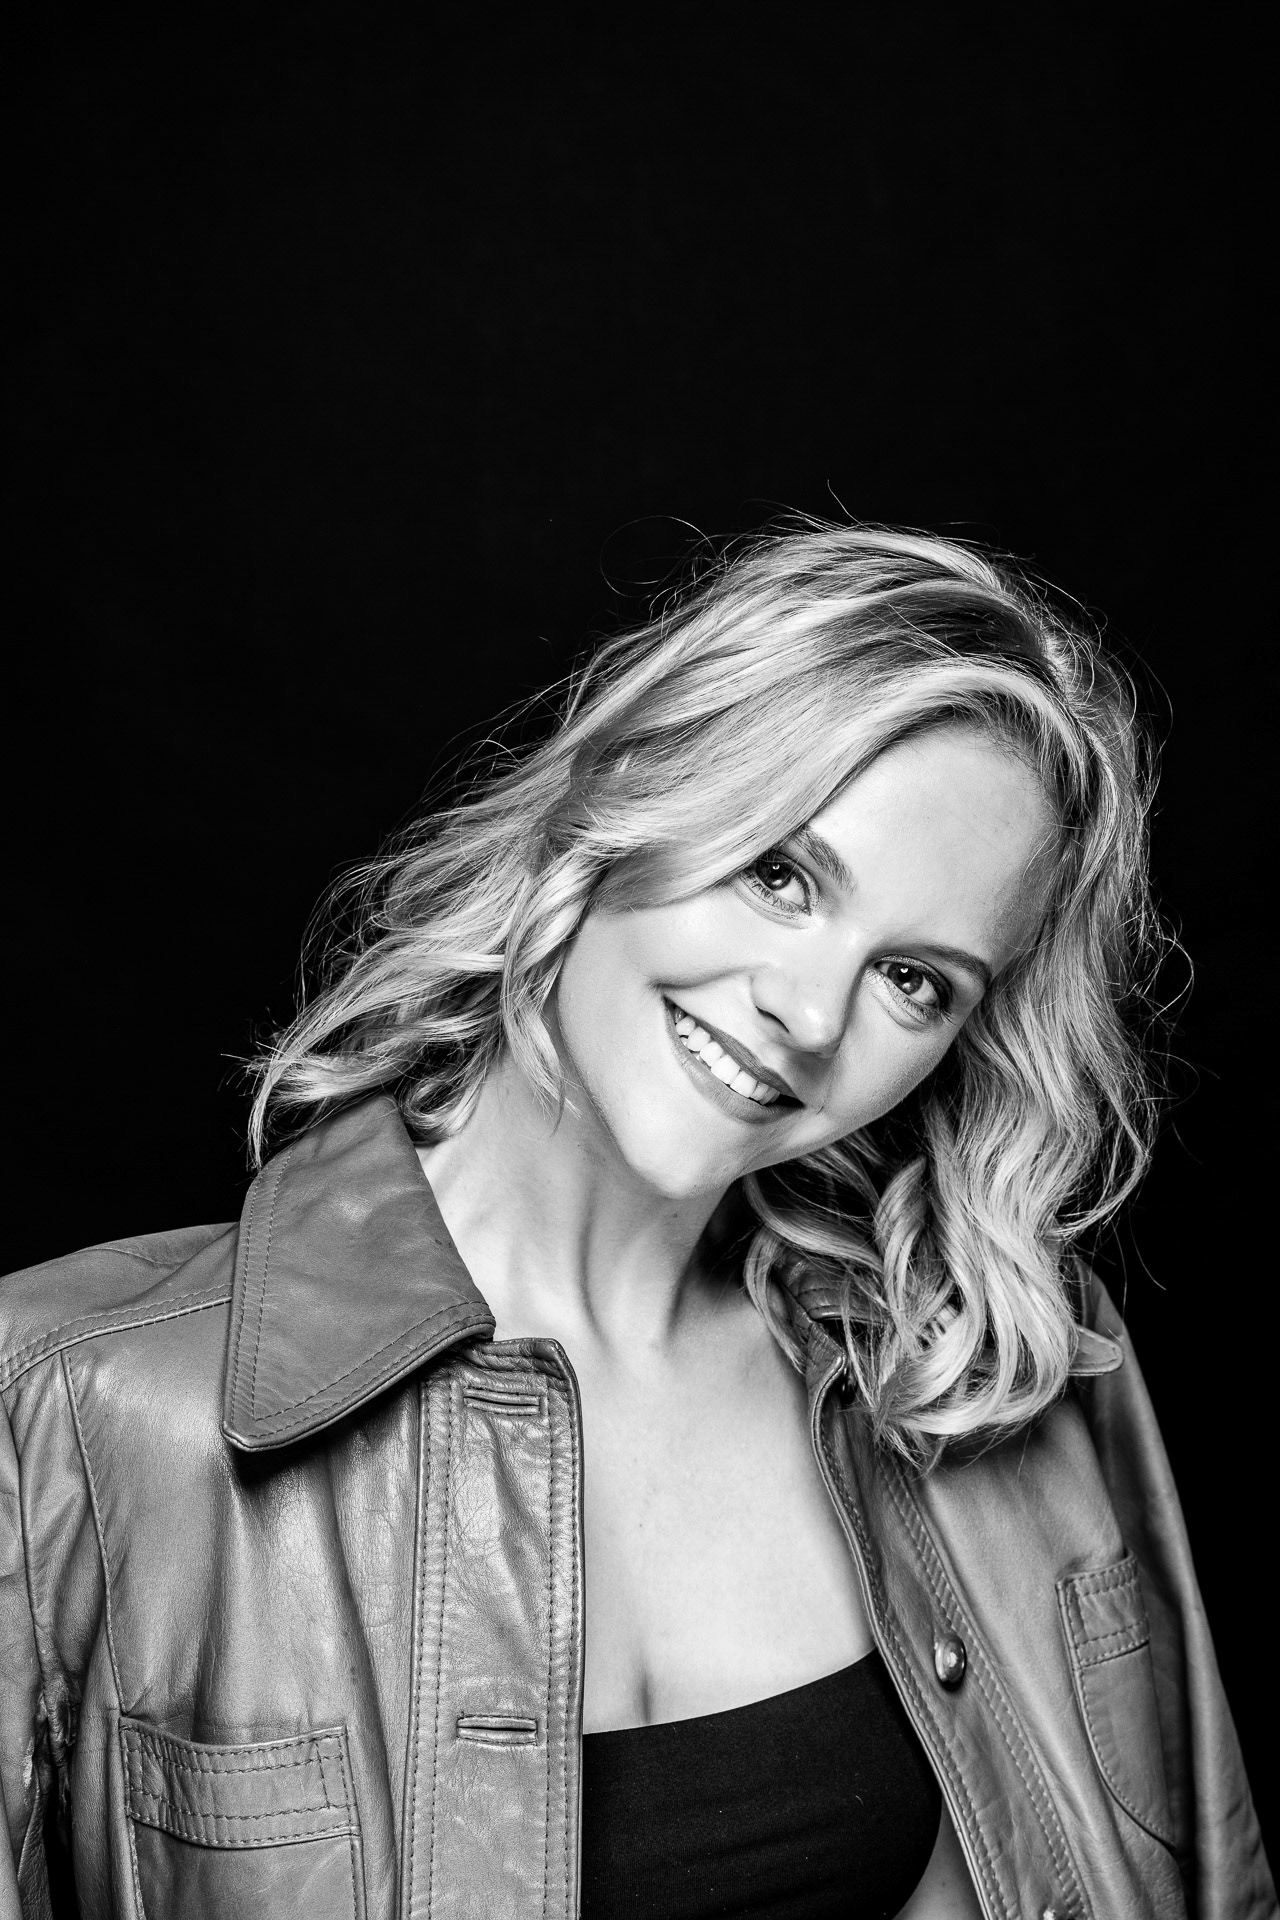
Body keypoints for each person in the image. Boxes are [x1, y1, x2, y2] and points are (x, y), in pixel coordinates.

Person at [0, 522, 1272, 1920]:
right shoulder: (63, 1412)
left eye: (915, 980)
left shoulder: (997, 1370)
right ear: (624, 794)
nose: (809, 1015)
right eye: (781, 874)